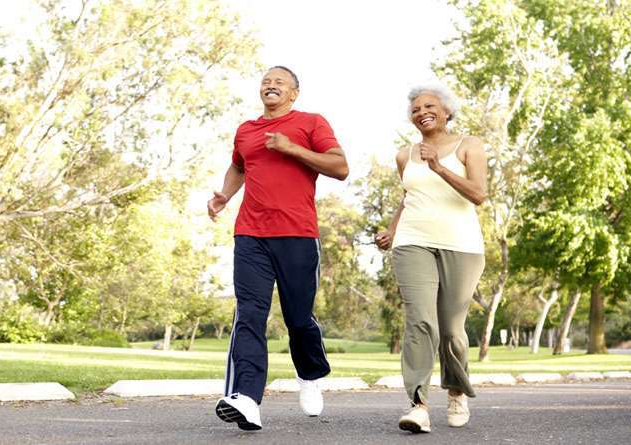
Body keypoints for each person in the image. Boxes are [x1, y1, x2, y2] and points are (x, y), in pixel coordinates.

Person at [207, 66, 349, 431]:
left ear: (294, 93)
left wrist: (292, 148)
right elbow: (238, 167)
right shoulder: (246, 130)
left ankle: (311, 375)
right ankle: (247, 398)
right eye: (266, 81)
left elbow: (340, 167)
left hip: (298, 234)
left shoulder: (311, 123)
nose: (271, 85)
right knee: (249, 314)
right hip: (250, 234)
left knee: (298, 318)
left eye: (279, 82)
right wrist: (225, 194)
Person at [375, 83, 487, 434]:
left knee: (452, 330)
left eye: (429, 106)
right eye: (415, 109)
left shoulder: (469, 145)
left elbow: (478, 194)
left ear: (447, 111)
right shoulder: (404, 155)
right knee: (420, 321)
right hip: (413, 241)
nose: (422, 112)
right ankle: (418, 404)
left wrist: (439, 167)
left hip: (462, 245)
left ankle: (456, 390)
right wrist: (392, 231)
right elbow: (409, 196)